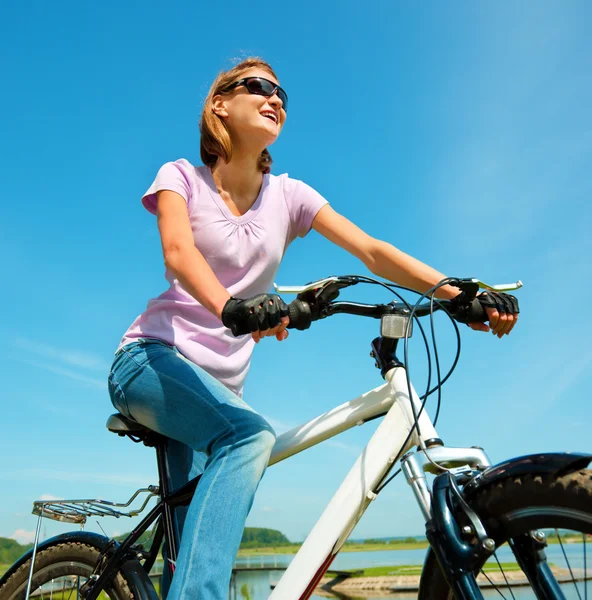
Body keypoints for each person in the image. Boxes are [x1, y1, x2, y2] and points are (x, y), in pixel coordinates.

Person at [108, 57, 518, 600]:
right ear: (219, 104)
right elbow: (179, 253)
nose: (275, 97)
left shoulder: (290, 196)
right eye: (257, 86)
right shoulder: (180, 177)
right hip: (150, 361)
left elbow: (371, 250)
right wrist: (233, 308)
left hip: (218, 390)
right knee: (249, 435)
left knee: (190, 549)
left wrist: (455, 293)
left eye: (281, 91)